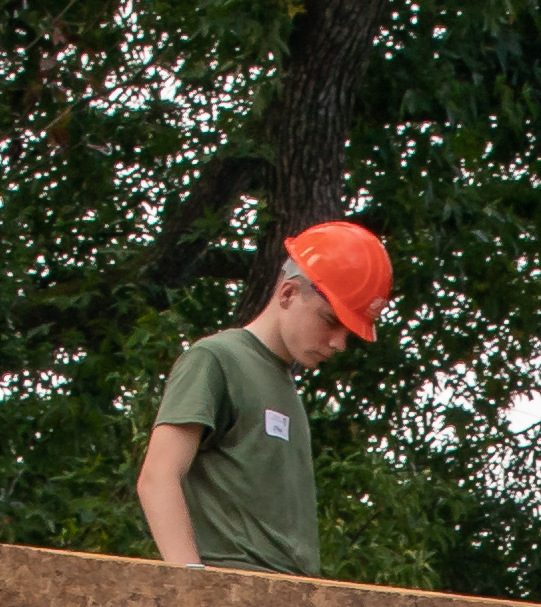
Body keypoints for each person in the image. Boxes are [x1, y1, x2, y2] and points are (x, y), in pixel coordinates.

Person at [137, 225, 391, 577]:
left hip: (288, 599)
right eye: (331, 321)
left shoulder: (283, 384)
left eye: (349, 332)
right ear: (288, 293)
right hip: (232, 590)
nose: (339, 343)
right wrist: (192, 587)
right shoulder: (216, 358)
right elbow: (158, 476)